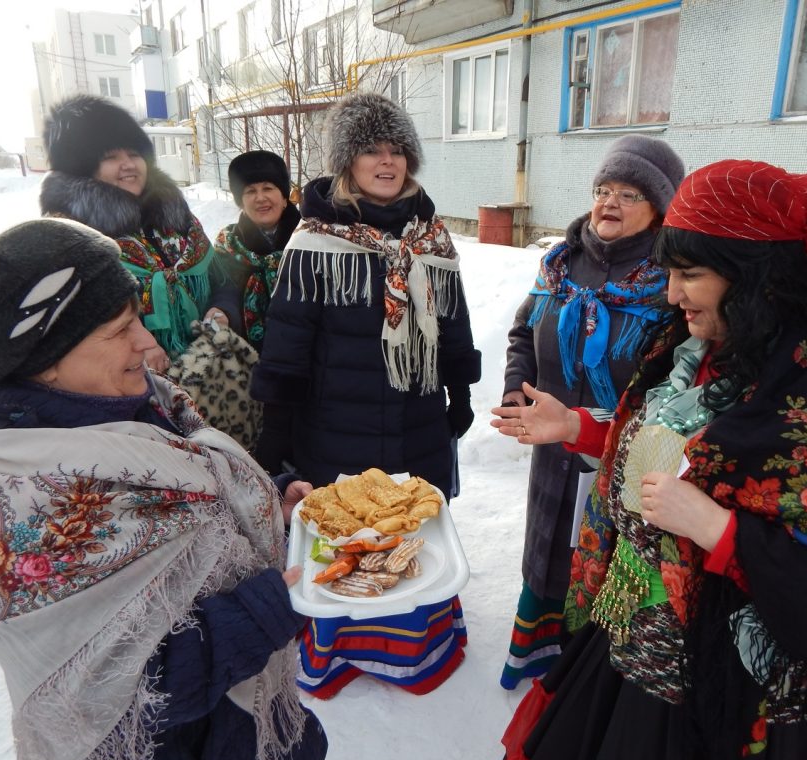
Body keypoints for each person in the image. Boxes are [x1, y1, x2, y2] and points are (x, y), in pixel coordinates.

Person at [491, 160, 807, 760]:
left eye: (689, 274)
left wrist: (719, 530)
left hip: (737, 703)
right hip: (636, 649)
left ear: (759, 278)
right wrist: (576, 426)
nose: (672, 294)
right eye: (670, 272)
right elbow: (675, 454)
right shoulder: (697, 351)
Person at [0, 219, 328, 760]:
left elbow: (199, 503)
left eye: (138, 319)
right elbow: (106, 695)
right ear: (45, 362)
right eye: (120, 329)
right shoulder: (19, 506)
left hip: (243, 726)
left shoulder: (145, 403)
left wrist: (271, 502)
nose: (146, 342)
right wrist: (265, 611)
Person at [251, 92, 481, 698]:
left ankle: (414, 643)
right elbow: (289, 341)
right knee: (347, 535)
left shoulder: (431, 236)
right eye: (372, 150)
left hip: (418, 417)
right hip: (335, 426)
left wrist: (460, 392)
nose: (388, 162)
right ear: (346, 161)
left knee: (410, 534)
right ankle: (337, 650)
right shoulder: (313, 242)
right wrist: (276, 429)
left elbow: (452, 323)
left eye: (398, 150)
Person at [500, 135, 684, 690]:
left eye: (629, 193)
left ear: (658, 207)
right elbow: (521, 332)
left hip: (627, 455)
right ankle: (538, 656)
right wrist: (517, 388)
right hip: (552, 449)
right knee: (548, 548)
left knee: (607, 559)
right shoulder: (558, 264)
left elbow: (670, 388)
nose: (610, 202)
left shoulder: (671, 282)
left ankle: (588, 679)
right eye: (604, 188)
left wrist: (592, 425)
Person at [40, 95, 216, 375]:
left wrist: (221, 309)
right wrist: (135, 344)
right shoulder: (69, 237)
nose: (129, 164)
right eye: (111, 157)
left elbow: (219, 277)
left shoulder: (176, 217)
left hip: (205, 373)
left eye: (134, 154)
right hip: (130, 383)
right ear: (84, 169)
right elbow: (70, 328)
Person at [208, 150, 302, 472]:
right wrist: (223, 312)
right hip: (253, 364)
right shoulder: (229, 243)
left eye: (268, 188)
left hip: (305, 362)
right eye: (250, 191)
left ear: (284, 194)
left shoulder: (312, 239)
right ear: (240, 199)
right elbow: (226, 288)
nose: (261, 198)